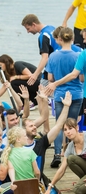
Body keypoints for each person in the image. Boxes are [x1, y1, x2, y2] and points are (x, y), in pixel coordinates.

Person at [0, 126, 53, 194]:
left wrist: (13, 181)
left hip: (17, 187)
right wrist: (36, 181)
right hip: (31, 186)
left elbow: (11, 169)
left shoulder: (9, 153)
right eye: (25, 136)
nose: (27, 138)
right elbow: (37, 172)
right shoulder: (30, 152)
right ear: (18, 139)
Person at [46, 27, 83, 168]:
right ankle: (70, 153)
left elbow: (50, 78)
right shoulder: (78, 55)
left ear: (60, 39)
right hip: (76, 94)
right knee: (72, 124)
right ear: (72, 39)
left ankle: (56, 154)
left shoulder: (53, 56)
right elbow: (81, 78)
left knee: (59, 125)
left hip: (60, 94)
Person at [21, 14, 59, 132]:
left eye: (28, 28)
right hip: (60, 68)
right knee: (41, 96)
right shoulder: (52, 28)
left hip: (51, 71)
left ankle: (46, 130)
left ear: (34, 24)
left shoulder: (43, 36)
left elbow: (45, 58)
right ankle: (46, 129)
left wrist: (35, 74)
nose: (28, 32)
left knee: (41, 97)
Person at [22, 91, 72, 179]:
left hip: (36, 184)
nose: (34, 127)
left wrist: (66, 106)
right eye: (31, 126)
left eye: (34, 125)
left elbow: (58, 125)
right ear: (23, 130)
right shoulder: (15, 146)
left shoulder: (41, 144)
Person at [45, 118, 86, 194]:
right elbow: (62, 169)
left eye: (70, 128)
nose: (68, 132)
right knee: (70, 159)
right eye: (65, 130)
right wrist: (50, 186)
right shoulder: (70, 147)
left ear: (77, 128)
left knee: (77, 189)